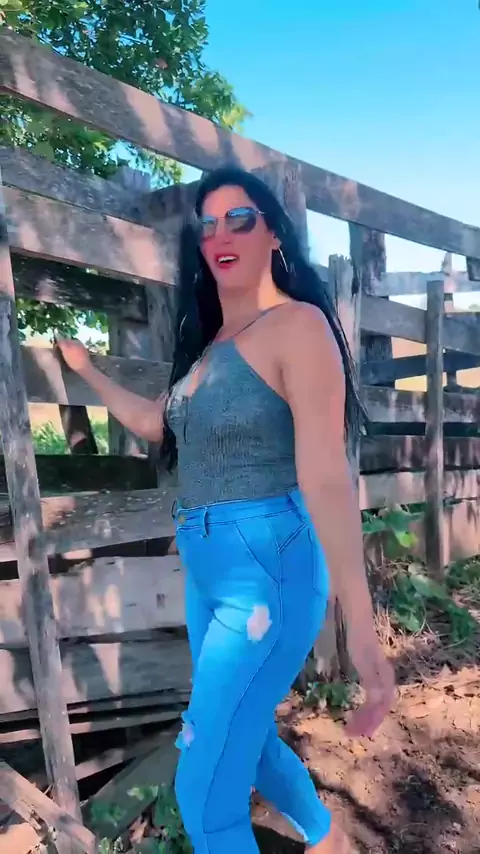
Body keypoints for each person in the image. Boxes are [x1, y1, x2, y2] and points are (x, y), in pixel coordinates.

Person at [57, 167, 395, 854]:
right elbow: (157, 424)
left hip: (266, 570)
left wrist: (361, 628)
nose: (219, 236)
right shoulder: (212, 345)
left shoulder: (297, 326)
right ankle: (328, 839)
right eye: (207, 225)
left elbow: (325, 475)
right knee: (250, 735)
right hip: (211, 568)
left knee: (203, 796)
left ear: (274, 235)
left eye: (239, 219)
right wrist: (88, 370)